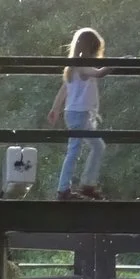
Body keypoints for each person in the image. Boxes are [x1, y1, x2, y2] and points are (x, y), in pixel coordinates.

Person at [48, 27, 107, 199]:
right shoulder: (81, 66)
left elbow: (63, 90)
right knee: (74, 150)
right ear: (91, 48)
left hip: (76, 113)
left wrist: (55, 108)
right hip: (79, 114)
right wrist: (119, 63)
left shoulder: (72, 66)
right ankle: (63, 189)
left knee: (97, 146)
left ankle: (87, 184)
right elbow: (99, 73)